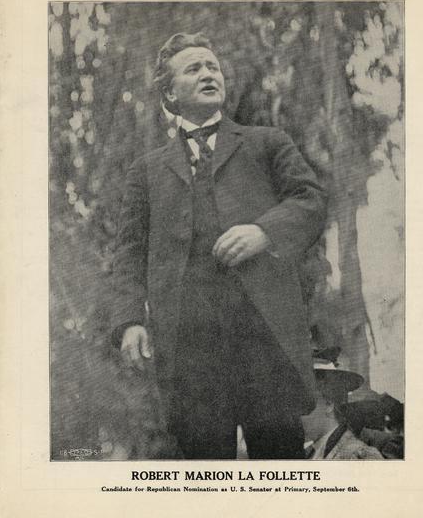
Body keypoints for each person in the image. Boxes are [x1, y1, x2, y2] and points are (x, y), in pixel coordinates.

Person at [110, 32, 328, 459]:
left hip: (265, 342)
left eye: (213, 67)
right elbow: (129, 252)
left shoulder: (267, 143)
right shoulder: (147, 171)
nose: (209, 74)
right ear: (170, 92)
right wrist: (130, 321)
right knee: (204, 477)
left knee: (280, 472)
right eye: (194, 68)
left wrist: (264, 231)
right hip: (189, 350)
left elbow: (311, 200)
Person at [303, 348, 383, 459]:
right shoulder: (309, 454)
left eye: (304, 405)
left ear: (328, 404)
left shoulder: (359, 456)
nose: (296, 414)